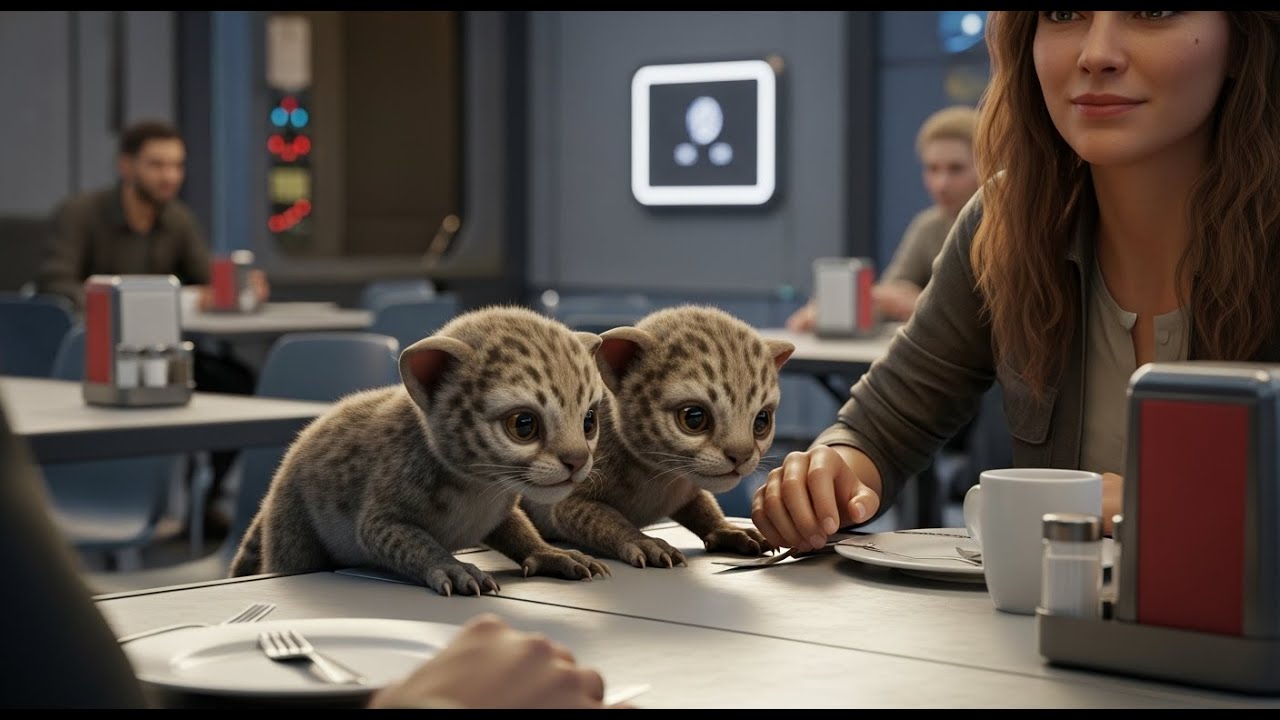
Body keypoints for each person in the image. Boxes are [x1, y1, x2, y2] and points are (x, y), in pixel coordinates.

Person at [754, 11, 1280, 552]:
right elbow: (883, 425)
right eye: (1063, 14)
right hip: (1042, 610)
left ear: (1242, 40)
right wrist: (826, 477)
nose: (1097, 53)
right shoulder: (1005, 221)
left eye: (1153, 11)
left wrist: (1171, 505)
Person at [0, 389, 616, 709]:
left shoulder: (488, 478)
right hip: (316, 526)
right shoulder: (414, 456)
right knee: (278, 596)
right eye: (522, 425)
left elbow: (495, 512)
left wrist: (532, 548)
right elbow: (380, 525)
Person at [35, 119, 269, 541]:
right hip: (93, 356)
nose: (169, 176)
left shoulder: (176, 219)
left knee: (235, 381)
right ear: (127, 166)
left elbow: (205, 281)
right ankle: (95, 501)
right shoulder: (82, 214)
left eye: (177, 166)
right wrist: (123, 303)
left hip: (157, 355)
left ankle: (204, 500)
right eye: (157, 165)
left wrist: (236, 288)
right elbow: (55, 283)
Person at [786, 104, 980, 331]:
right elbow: (891, 294)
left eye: (956, 169)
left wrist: (920, 304)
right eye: (932, 169)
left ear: (989, 164)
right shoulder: (928, 226)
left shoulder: (1006, 228)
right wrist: (837, 309)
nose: (941, 184)